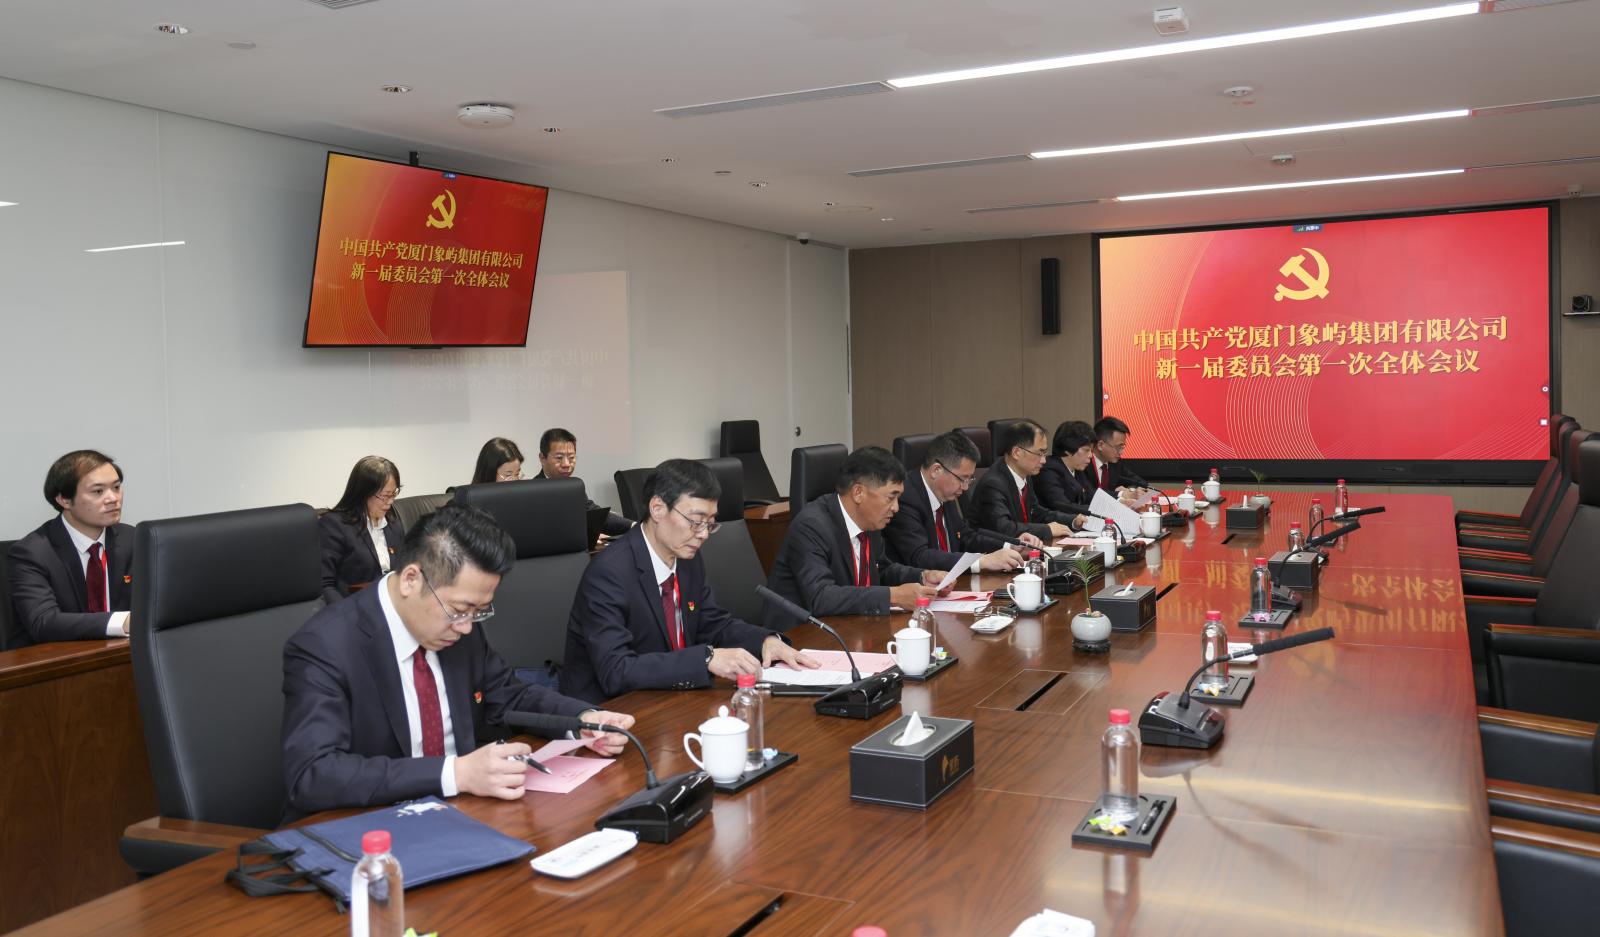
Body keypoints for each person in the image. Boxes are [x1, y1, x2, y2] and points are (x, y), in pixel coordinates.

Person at [281, 504, 634, 823]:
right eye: (460, 610)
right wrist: (457, 773)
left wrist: (584, 720)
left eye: (478, 612)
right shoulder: (326, 646)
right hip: (373, 829)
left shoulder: (458, 627)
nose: (466, 627)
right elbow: (313, 773)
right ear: (411, 579)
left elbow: (509, 695)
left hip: (467, 814)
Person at [561, 459, 818, 703]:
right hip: (609, 711)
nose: (704, 534)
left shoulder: (686, 558)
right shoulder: (609, 573)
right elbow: (616, 670)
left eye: (710, 523)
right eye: (696, 522)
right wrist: (705, 659)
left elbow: (712, 623)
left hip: (669, 698)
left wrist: (764, 641)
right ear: (657, 508)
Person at [762, 446, 942, 630]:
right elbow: (821, 597)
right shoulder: (811, 526)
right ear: (858, 493)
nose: (896, 507)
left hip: (849, 626)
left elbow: (881, 569)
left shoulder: (869, 521)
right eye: (891, 497)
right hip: (799, 634)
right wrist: (893, 596)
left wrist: (922, 576)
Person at [6, 450, 135, 646]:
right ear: (64, 500)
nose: (113, 498)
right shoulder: (31, 553)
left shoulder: (132, 539)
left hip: (121, 654)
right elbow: (43, 622)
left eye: (116, 487)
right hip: (56, 659)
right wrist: (123, 622)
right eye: (98, 491)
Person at [883, 431, 1038, 571]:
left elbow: (965, 535)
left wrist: (1011, 545)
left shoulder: (944, 490)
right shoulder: (904, 498)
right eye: (962, 479)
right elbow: (920, 556)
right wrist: (981, 561)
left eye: (969, 479)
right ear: (936, 470)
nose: (965, 487)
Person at [972, 420, 1079, 542]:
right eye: (1039, 453)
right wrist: (1046, 529)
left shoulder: (1024, 474)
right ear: (1016, 453)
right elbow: (1004, 528)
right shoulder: (993, 484)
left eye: (1044, 453)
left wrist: (1073, 520)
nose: (1044, 460)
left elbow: (1035, 512)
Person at [319, 456, 405, 605]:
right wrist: (344, 613)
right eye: (385, 496)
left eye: (393, 494)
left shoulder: (393, 524)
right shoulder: (334, 525)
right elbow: (325, 584)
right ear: (363, 493)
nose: (390, 502)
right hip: (353, 607)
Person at [533, 428, 631, 537]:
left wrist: (634, 526)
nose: (566, 464)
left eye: (571, 457)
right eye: (559, 458)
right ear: (542, 458)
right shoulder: (532, 492)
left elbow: (596, 516)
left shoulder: (574, 487)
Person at [1036, 420, 1099, 523]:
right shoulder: (1047, 470)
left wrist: (1118, 501)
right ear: (1069, 449)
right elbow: (1062, 506)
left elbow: (1091, 495)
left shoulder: (1077, 468)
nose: (1091, 456)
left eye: (1091, 451)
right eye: (1086, 450)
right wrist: (1100, 510)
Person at [1091, 416, 1151, 496]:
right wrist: (1120, 494)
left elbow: (1142, 483)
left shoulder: (1115, 464)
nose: (1121, 452)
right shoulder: (1083, 464)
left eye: (1122, 447)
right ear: (1100, 445)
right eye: (1118, 447)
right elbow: (1088, 495)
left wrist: (1130, 490)